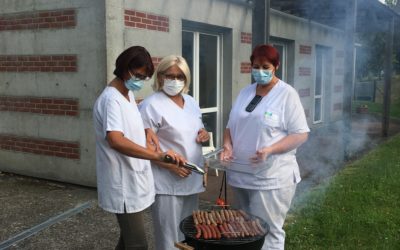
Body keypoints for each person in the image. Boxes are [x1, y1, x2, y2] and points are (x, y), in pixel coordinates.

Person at [93, 46, 186, 250]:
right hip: (122, 183)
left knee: (127, 241)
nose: (139, 81)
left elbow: (129, 122)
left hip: (133, 179)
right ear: (124, 68)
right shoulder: (111, 100)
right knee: (138, 245)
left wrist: (146, 130)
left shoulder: (126, 95)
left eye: (143, 77)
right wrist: (158, 156)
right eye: (137, 75)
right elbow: (116, 139)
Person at [220, 44, 309, 250]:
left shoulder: (287, 94)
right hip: (240, 174)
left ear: (276, 66)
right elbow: (230, 126)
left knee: (268, 231)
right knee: (243, 228)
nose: (259, 71)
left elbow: (300, 134)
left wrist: (270, 150)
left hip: (271, 178)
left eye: (265, 66)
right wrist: (227, 146)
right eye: (256, 66)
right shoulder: (245, 92)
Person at [139, 55, 209, 250]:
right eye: (169, 76)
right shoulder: (150, 105)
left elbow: (197, 131)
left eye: (180, 76)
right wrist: (169, 165)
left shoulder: (191, 102)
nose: (175, 80)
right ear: (160, 77)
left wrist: (205, 135)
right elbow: (144, 147)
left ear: (186, 79)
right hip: (166, 181)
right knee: (169, 238)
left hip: (191, 178)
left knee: (189, 232)